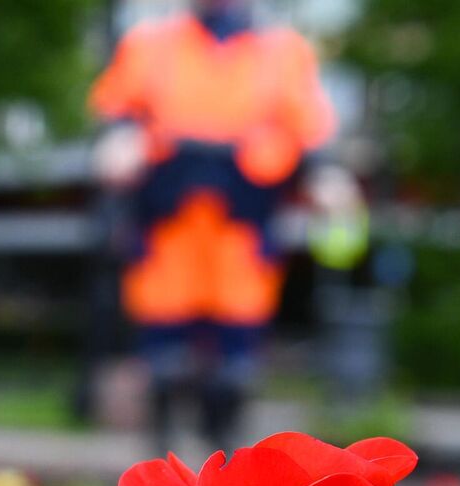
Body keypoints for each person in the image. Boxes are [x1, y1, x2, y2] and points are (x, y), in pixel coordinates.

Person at [89, 0, 347, 450]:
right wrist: (117, 142)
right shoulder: (151, 46)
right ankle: (160, 469)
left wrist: (327, 177)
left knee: (234, 366)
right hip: (168, 227)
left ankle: (226, 463)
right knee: (163, 360)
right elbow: (117, 113)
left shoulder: (283, 52)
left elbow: (308, 130)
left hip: (242, 228)